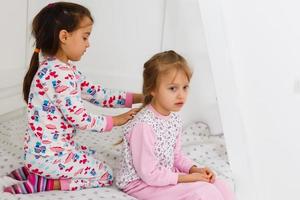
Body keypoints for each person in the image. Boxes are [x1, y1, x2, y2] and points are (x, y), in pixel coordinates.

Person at [4, 2, 143, 194]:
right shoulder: (60, 75)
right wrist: (116, 121)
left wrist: (141, 97)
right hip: (49, 156)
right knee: (105, 174)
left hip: (42, 153)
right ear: (64, 36)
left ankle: (32, 172)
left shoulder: (60, 69)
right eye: (85, 37)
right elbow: (80, 119)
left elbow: (99, 95)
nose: (88, 44)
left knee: (91, 154)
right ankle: (44, 183)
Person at [116, 50, 236, 200]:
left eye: (185, 87)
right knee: (204, 192)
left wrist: (194, 170)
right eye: (173, 88)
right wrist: (188, 178)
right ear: (152, 89)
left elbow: (177, 157)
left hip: (164, 175)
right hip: (140, 183)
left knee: (219, 184)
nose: (181, 95)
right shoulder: (144, 126)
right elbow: (149, 175)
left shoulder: (174, 119)